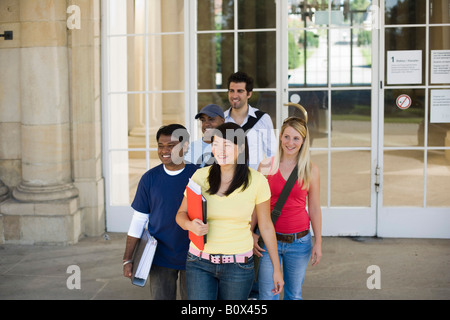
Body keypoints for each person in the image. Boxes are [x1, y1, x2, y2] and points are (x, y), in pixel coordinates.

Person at [176, 122, 284, 300]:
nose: (220, 150)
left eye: (226, 145)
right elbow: (180, 215)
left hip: (238, 266)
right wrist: (189, 225)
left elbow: (266, 226)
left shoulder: (257, 181)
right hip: (199, 263)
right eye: (216, 145)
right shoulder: (200, 176)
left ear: (240, 148)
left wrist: (276, 270)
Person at [122, 124, 198, 300]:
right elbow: (139, 220)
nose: (164, 150)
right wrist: (128, 258)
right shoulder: (149, 178)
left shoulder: (198, 175)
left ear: (185, 146)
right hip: (159, 257)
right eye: (160, 146)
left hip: (194, 256)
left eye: (170, 146)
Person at [254, 115, 322, 300]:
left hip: (299, 242)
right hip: (269, 240)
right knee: (268, 295)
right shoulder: (266, 165)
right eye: (286, 137)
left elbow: (314, 208)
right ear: (280, 138)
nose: (290, 143)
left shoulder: (310, 170)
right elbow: (256, 203)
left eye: (296, 138)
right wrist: (252, 231)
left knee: (293, 295)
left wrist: (318, 242)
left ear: (303, 142)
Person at [224, 71, 277, 170]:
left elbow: (272, 153)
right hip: (228, 180)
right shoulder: (222, 120)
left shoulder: (263, 119)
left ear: (249, 94)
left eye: (240, 91)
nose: (234, 96)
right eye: (231, 91)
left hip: (255, 179)